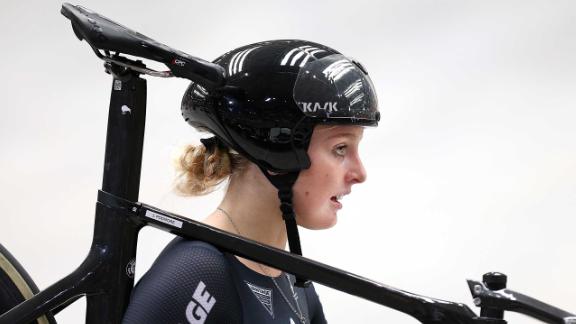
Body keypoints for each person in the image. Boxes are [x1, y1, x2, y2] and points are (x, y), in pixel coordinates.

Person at [122, 39, 379, 324]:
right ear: (276, 150)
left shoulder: (295, 280)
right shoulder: (197, 272)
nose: (360, 172)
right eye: (340, 148)